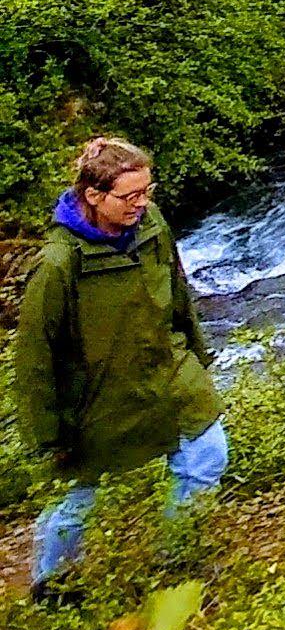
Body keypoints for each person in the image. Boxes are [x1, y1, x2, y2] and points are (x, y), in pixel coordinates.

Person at [14, 134, 226, 595]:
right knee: (82, 499)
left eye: (148, 192)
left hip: (168, 370)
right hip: (99, 398)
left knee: (207, 454)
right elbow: (34, 359)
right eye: (131, 196)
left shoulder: (151, 226)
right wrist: (49, 435)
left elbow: (178, 292)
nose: (142, 204)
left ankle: (177, 562)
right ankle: (53, 587)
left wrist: (197, 354)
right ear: (94, 196)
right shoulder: (57, 265)